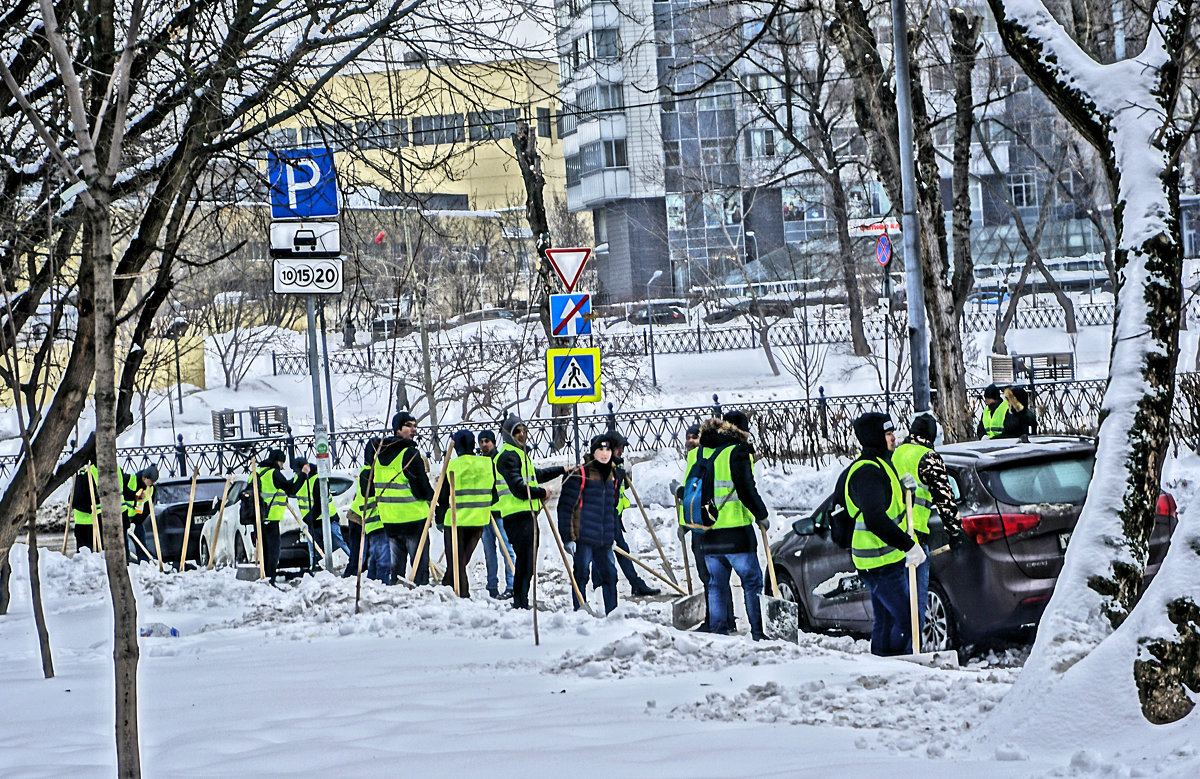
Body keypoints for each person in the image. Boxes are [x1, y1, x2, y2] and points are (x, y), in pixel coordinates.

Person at [845, 412, 925, 657]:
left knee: (887, 620)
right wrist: (908, 545)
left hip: (885, 558)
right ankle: (896, 663)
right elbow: (875, 518)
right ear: (874, 437)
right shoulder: (867, 471)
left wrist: (903, 488)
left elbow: (888, 507)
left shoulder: (881, 464)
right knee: (907, 620)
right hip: (877, 560)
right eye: (888, 434)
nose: (893, 438)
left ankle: (881, 662)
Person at [699, 410, 770, 640]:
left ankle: (718, 631)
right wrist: (761, 514)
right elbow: (746, 488)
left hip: (711, 533)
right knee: (752, 583)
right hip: (737, 534)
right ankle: (759, 631)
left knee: (716, 585)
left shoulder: (710, 453)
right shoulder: (738, 452)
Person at [891, 414, 965, 628]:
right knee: (917, 602)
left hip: (893, 536)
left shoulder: (897, 454)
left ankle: (899, 648)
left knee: (899, 601)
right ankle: (915, 646)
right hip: (916, 537)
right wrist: (956, 533)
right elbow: (945, 499)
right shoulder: (928, 457)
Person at [495, 413, 566, 609]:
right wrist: (542, 492)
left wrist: (562, 470)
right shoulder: (508, 456)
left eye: (524, 431)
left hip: (528, 515)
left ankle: (521, 601)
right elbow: (519, 488)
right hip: (517, 516)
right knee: (526, 562)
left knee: (528, 563)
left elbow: (537, 474)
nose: (522, 435)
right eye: (517, 431)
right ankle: (520, 602)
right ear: (508, 434)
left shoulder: (519, 454)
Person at [370, 411, 435, 585]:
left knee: (396, 569)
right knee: (419, 569)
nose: (413, 429)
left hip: (391, 522)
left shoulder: (378, 456)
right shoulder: (409, 454)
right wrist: (431, 495)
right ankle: (421, 599)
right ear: (397, 429)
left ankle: (398, 600)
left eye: (415, 426)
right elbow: (422, 489)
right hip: (414, 521)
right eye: (408, 425)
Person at [558, 436, 621, 614]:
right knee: (582, 574)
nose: (604, 454)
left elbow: (611, 508)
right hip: (583, 536)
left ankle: (613, 612)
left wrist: (612, 535)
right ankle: (580, 610)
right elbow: (566, 508)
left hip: (604, 538)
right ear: (593, 452)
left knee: (610, 575)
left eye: (608, 450)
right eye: (600, 450)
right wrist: (568, 538)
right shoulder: (580, 474)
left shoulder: (612, 475)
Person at [436, 430, 497, 598]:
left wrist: (439, 518)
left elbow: (442, 496)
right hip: (479, 520)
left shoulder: (452, 465)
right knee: (461, 561)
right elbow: (494, 494)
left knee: (456, 561)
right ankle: (449, 588)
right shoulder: (487, 463)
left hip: (456, 521)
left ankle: (460, 594)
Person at [610, 431, 661, 597]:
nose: (622, 451)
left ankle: (636, 583)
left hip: (613, 518)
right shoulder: (604, 467)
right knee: (601, 558)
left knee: (621, 551)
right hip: (603, 519)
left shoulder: (617, 466)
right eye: (619, 448)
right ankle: (598, 591)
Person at [675, 423, 710, 630]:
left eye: (695, 437)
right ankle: (720, 617)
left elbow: (696, 494)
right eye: (688, 437)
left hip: (703, 526)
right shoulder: (692, 457)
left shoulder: (701, 456)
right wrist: (684, 525)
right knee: (708, 577)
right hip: (695, 524)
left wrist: (687, 524)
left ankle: (718, 619)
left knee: (710, 577)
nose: (690, 441)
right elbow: (690, 493)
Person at [255, 449, 309, 584]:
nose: (281, 466)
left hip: (257, 520)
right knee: (273, 552)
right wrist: (303, 475)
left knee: (264, 551)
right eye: (281, 463)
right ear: (277, 461)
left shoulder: (256, 473)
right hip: (270, 519)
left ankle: (264, 577)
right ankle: (270, 578)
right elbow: (291, 489)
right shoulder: (273, 473)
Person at [343, 438, 391, 583]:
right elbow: (368, 494)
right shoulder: (368, 472)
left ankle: (364, 582)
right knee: (359, 558)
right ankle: (346, 583)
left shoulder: (370, 471)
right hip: (359, 519)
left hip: (366, 520)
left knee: (368, 558)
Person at [294, 457, 350, 572]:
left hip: (328, 520)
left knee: (337, 545)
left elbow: (320, 504)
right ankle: (317, 572)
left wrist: (310, 518)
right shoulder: (299, 479)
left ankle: (350, 567)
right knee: (315, 552)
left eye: (298, 471)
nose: (296, 474)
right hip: (312, 523)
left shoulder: (318, 479)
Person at [477, 429, 515, 599]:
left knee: (506, 549)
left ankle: (512, 584)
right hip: (485, 512)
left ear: (493, 442)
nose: (484, 445)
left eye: (487, 441)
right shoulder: (479, 463)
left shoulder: (500, 460)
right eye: (481, 442)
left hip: (500, 511)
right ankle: (492, 585)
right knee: (488, 551)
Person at [122, 464, 158, 563]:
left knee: (141, 542)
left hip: (136, 520)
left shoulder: (151, 489)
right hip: (123, 517)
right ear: (144, 477)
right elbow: (122, 494)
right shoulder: (130, 479)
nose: (151, 484)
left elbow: (147, 509)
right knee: (123, 544)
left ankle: (144, 562)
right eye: (150, 482)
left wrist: (136, 521)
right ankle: (125, 563)